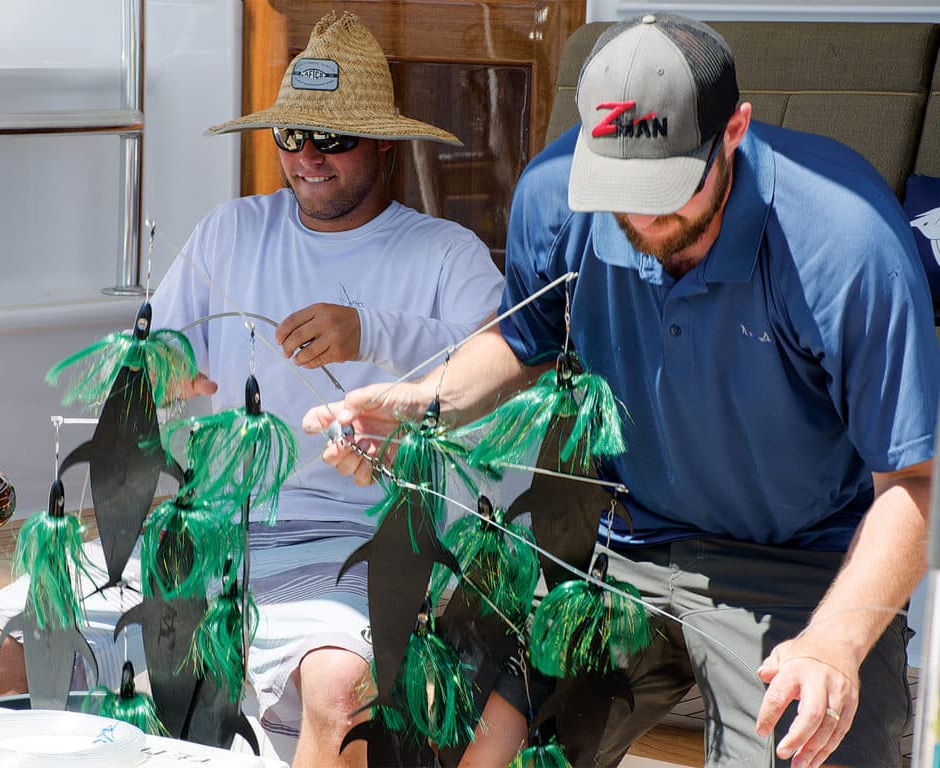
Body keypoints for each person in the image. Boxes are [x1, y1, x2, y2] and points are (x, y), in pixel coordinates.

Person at [307, 13, 940, 768]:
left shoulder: (846, 242)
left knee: (812, 744)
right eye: (621, 188)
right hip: (615, 541)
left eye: (669, 185)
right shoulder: (557, 193)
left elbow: (912, 483)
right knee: (460, 736)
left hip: (800, 567)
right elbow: (523, 342)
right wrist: (421, 404)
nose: (643, 216)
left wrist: (836, 641)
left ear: (734, 130)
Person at [0, 12, 509, 768]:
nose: (307, 157)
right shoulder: (233, 231)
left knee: (340, 689)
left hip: (357, 545)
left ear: (383, 140)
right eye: (290, 137)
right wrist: (160, 381)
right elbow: (145, 373)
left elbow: (501, 374)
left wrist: (370, 330)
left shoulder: (445, 252)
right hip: (207, 532)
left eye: (333, 139)